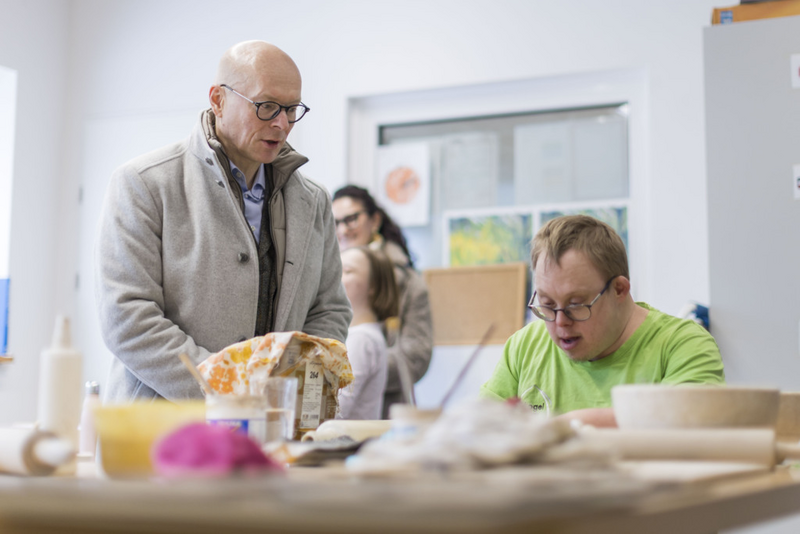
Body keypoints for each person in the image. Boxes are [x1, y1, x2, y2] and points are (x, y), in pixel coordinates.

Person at [96, 41, 352, 403]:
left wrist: (294, 389)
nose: (282, 123)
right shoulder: (145, 183)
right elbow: (128, 320)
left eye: (292, 109)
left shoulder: (313, 201)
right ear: (218, 100)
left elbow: (329, 310)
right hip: (163, 434)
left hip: (271, 432)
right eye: (266, 107)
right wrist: (231, 392)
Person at [480, 215, 725, 427]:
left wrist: (561, 428)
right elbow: (480, 428)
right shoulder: (524, 347)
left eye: (576, 304)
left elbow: (690, 422)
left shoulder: (683, 345)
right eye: (547, 304)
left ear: (619, 289)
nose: (560, 322)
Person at [332, 185, 433, 417]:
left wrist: (363, 366)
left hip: (385, 413)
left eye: (352, 219)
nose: (343, 230)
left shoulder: (407, 282)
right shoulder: (325, 275)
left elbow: (416, 356)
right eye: (336, 222)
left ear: (374, 220)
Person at [337, 246, 400, 420]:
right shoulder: (361, 335)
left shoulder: (362, 340)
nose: (336, 277)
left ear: (373, 285)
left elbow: (335, 412)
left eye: (347, 271)